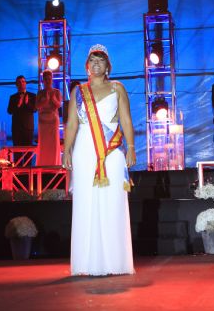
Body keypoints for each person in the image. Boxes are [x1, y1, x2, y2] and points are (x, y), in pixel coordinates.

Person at [63, 44, 136, 276]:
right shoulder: (78, 91)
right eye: (92, 61)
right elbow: (72, 123)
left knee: (112, 201)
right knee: (86, 203)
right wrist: (66, 149)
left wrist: (132, 148)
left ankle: (116, 261)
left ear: (108, 66)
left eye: (101, 61)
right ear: (87, 66)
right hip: (84, 150)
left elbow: (126, 120)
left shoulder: (118, 88)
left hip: (112, 151)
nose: (96, 64)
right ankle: (86, 263)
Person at [36, 70, 62, 167]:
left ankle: (54, 164)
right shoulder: (40, 92)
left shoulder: (57, 92)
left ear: (52, 79)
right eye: (45, 79)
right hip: (42, 121)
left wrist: (52, 99)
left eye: (49, 79)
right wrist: (45, 100)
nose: (47, 80)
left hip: (53, 120)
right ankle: (42, 164)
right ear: (43, 80)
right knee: (43, 143)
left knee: (53, 143)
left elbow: (59, 105)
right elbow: (37, 106)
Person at [7, 75, 36, 147]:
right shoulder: (13, 97)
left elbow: (35, 109)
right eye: (19, 82)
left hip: (28, 128)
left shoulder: (33, 96)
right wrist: (18, 105)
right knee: (17, 153)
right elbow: (9, 111)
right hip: (16, 129)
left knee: (28, 153)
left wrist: (27, 103)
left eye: (23, 82)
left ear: (26, 83)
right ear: (16, 85)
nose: (21, 83)